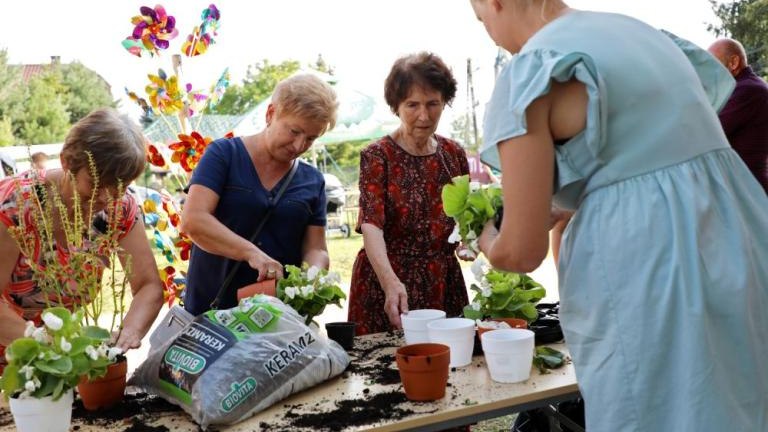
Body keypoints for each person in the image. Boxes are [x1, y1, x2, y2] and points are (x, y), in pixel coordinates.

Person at [470, 1, 768, 431]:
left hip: (650, 262)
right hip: (737, 230)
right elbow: (647, 156)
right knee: (741, 399)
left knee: (662, 411)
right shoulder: (645, 36)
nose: (492, 35)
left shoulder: (532, 69)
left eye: (484, 22)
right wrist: (565, 204)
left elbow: (520, 251)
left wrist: (488, 242)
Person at [0, 108, 164, 360]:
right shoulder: (17, 206)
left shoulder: (118, 209)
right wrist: (47, 346)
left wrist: (129, 332)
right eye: (95, 183)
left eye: (118, 187)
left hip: (62, 358)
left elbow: (148, 286)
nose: (105, 197)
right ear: (66, 160)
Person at [181, 74, 338, 315]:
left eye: (311, 138)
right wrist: (252, 254)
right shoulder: (224, 155)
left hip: (277, 319)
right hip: (211, 315)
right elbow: (194, 221)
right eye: (294, 131)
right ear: (270, 113)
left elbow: (316, 248)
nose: (299, 146)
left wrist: (313, 276)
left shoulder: (312, 180)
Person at [348, 52, 470, 335]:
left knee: (452, 365)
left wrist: (467, 241)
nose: (424, 116)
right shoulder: (378, 156)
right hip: (387, 280)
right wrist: (390, 282)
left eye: (433, 104)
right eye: (412, 105)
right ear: (396, 106)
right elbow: (371, 225)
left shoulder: (453, 154)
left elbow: (466, 214)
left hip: (442, 280)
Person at [708, 38, 768, 194]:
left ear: (733, 63)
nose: (708, 72)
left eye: (712, 64)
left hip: (748, 189)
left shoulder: (747, 90)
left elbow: (710, 129)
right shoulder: (748, 87)